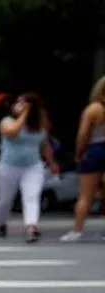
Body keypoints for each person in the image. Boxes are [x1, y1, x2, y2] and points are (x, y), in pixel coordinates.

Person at [0, 92, 58, 243]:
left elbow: (44, 144)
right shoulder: (7, 121)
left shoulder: (40, 124)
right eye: (18, 103)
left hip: (32, 166)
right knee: (5, 200)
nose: (17, 106)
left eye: (22, 103)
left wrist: (51, 163)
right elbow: (12, 132)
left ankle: (31, 227)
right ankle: (2, 223)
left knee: (32, 196)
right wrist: (24, 115)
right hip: (9, 165)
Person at [63, 76, 105, 242]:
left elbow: (83, 135)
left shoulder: (92, 110)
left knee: (85, 196)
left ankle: (77, 230)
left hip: (95, 150)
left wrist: (79, 154)